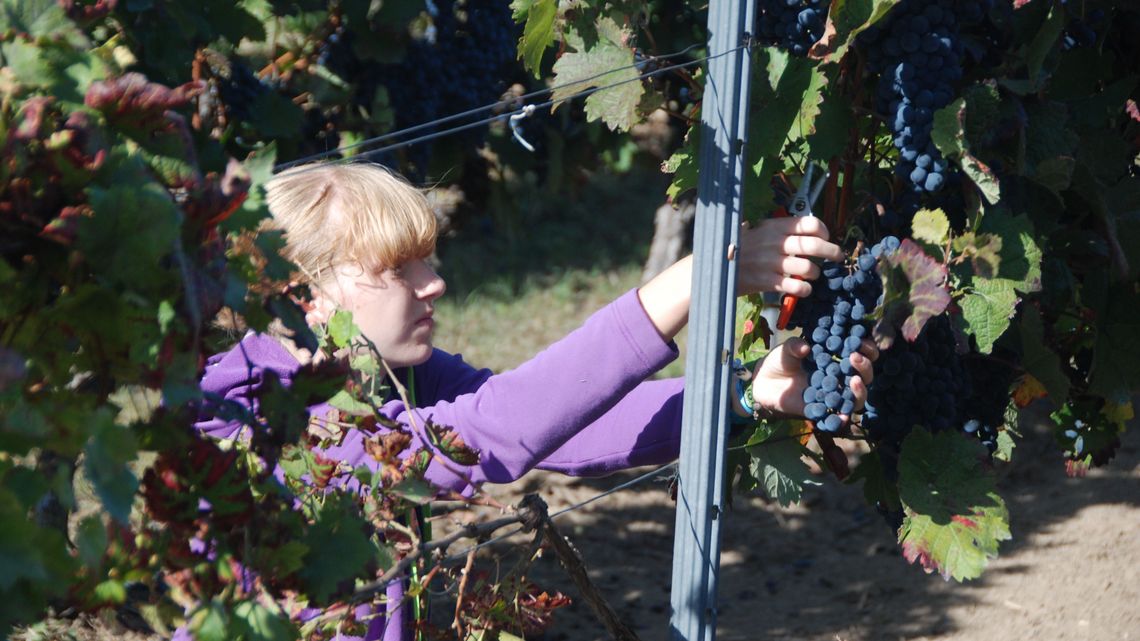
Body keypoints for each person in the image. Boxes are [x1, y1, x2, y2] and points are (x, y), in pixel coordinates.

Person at [191, 161, 877, 640]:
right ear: (304, 296)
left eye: (427, 258)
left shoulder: (381, 377)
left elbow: (560, 426)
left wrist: (742, 394)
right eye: (399, 269)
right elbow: (497, 429)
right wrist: (691, 281)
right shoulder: (278, 417)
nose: (434, 284)